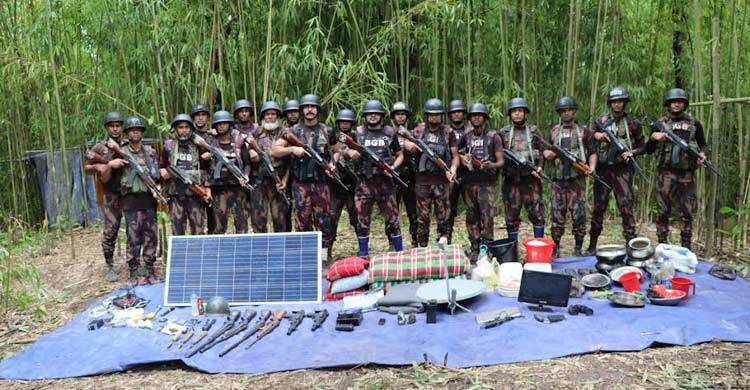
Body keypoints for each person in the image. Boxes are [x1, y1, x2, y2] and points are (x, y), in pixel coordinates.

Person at [271, 94, 339, 256]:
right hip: (300, 184)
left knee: (323, 221)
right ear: (302, 110)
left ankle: (323, 257)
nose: (310, 110)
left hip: (321, 183)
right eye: (306, 107)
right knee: (302, 221)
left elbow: (336, 151)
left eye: (313, 107)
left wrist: (332, 164)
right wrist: (292, 149)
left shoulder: (327, 130)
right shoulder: (293, 131)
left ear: (317, 110)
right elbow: (274, 150)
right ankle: (307, 257)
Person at [648, 88, 708, 250]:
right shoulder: (660, 124)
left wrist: (702, 155)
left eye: (680, 101)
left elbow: (703, 144)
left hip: (687, 175)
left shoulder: (694, 123)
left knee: (687, 213)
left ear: (685, 104)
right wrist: (655, 137)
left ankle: (686, 248)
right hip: (665, 173)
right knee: (662, 212)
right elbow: (649, 149)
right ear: (668, 104)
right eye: (673, 101)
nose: (676, 104)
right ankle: (662, 246)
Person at [587, 87, 646, 253]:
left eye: (620, 101)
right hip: (603, 169)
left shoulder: (633, 122)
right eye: (614, 102)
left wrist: (631, 152)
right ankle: (592, 245)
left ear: (625, 103)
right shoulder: (602, 120)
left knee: (626, 207)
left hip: (623, 170)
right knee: (598, 208)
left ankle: (631, 245)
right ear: (610, 103)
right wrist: (596, 136)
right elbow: (588, 139)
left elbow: (643, 146)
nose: (617, 105)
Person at [343, 100, 404, 258]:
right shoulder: (358, 133)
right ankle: (363, 254)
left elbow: (400, 154)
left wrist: (393, 167)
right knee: (362, 222)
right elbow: (345, 151)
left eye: (376, 113)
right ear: (365, 115)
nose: (373, 116)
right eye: (370, 114)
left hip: (386, 183)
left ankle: (399, 253)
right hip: (364, 184)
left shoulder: (390, 132)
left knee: (393, 221)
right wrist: (351, 153)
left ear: (381, 116)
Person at [543, 96, 597, 258]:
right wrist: (551, 154)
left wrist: (592, 168)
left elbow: (593, 152)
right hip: (558, 181)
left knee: (579, 215)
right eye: (563, 111)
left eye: (569, 110)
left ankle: (578, 248)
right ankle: (556, 248)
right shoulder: (553, 131)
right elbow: (544, 152)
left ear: (574, 111)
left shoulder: (584, 132)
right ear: (560, 113)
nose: (566, 113)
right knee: (556, 216)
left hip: (577, 181)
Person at [114, 117, 161, 284]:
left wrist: (157, 187)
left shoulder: (150, 152)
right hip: (130, 201)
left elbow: (155, 173)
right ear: (127, 133)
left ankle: (149, 268)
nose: (135, 132)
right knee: (133, 237)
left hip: (148, 199)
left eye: (138, 130)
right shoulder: (120, 151)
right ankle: (134, 270)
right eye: (132, 130)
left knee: (151, 235)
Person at [409, 98, 459, 247]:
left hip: (442, 180)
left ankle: (443, 247)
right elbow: (404, 142)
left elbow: (455, 156)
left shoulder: (448, 132)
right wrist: (411, 146)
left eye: (437, 114)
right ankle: (423, 248)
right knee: (422, 218)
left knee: (444, 216)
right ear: (427, 115)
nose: (434, 117)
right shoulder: (418, 130)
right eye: (431, 114)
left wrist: (453, 169)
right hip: (422, 181)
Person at [458, 103, 504, 261]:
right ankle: (475, 247)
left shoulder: (493, 136)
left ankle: (487, 248)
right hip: (470, 182)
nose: (476, 117)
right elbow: (455, 152)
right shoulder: (466, 135)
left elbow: (501, 161)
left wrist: (492, 165)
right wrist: (462, 158)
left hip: (487, 183)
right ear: (470, 118)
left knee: (487, 216)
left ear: (485, 118)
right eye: (474, 115)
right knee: (471, 216)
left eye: (480, 115)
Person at [84, 111, 125, 282]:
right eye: (112, 126)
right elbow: (86, 167)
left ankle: (135, 264)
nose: (115, 129)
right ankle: (109, 265)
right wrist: (104, 166)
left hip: (129, 193)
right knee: (110, 230)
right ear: (107, 128)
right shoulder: (99, 148)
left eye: (118, 126)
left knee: (135, 229)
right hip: (110, 194)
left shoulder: (129, 144)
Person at [500, 98, 546, 242]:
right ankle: (512, 251)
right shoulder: (504, 132)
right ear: (510, 114)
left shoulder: (533, 131)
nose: (517, 114)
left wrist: (539, 167)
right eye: (514, 111)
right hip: (511, 180)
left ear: (525, 113)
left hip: (531, 179)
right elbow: (497, 152)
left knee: (537, 214)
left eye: (520, 111)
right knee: (511, 216)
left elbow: (542, 151)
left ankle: (538, 247)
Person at [202, 110, 253, 234]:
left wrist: (246, 176)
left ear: (230, 125)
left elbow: (247, 164)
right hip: (218, 190)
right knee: (219, 226)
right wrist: (206, 188)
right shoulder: (210, 143)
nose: (221, 126)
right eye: (218, 124)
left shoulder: (239, 143)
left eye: (224, 123)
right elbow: (203, 168)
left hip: (238, 189)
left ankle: (242, 252)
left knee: (241, 225)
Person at [159, 114, 210, 236]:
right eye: (180, 127)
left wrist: (207, 190)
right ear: (175, 129)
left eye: (187, 127)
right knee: (177, 232)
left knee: (198, 231)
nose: (184, 130)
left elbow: (206, 170)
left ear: (191, 129)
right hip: (176, 195)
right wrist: (163, 172)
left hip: (195, 194)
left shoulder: (198, 146)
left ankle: (197, 255)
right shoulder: (168, 146)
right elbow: (161, 166)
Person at [249, 101, 291, 233]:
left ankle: (279, 249)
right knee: (258, 218)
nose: (270, 117)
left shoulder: (285, 133)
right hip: (259, 181)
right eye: (267, 114)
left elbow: (291, 162)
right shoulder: (256, 132)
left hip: (278, 181)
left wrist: (284, 181)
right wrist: (251, 151)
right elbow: (247, 149)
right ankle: (260, 249)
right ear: (263, 117)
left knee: (279, 218)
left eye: (273, 114)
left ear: (278, 117)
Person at [390, 102, 419, 248]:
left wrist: (411, 146)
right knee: (391, 212)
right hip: (393, 176)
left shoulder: (412, 133)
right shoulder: (388, 133)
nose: (400, 117)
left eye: (403, 114)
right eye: (398, 114)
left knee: (413, 211)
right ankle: (392, 242)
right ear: (393, 116)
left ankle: (415, 240)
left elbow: (419, 150)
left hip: (410, 176)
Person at [329, 109, 358, 257]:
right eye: (342, 122)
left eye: (348, 122)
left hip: (353, 185)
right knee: (331, 221)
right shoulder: (331, 136)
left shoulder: (356, 136)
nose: (345, 124)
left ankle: (363, 249)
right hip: (335, 185)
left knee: (358, 218)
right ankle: (326, 253)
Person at [446, 99, 469, 244]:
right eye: (453, 112)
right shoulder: (445, 130)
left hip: (469, 175)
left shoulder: (471, 129)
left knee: (472, 210)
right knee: (448, 209)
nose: (456, 115)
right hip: (450, 173)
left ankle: (476, 244)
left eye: (459, 112)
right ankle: (446, 241)